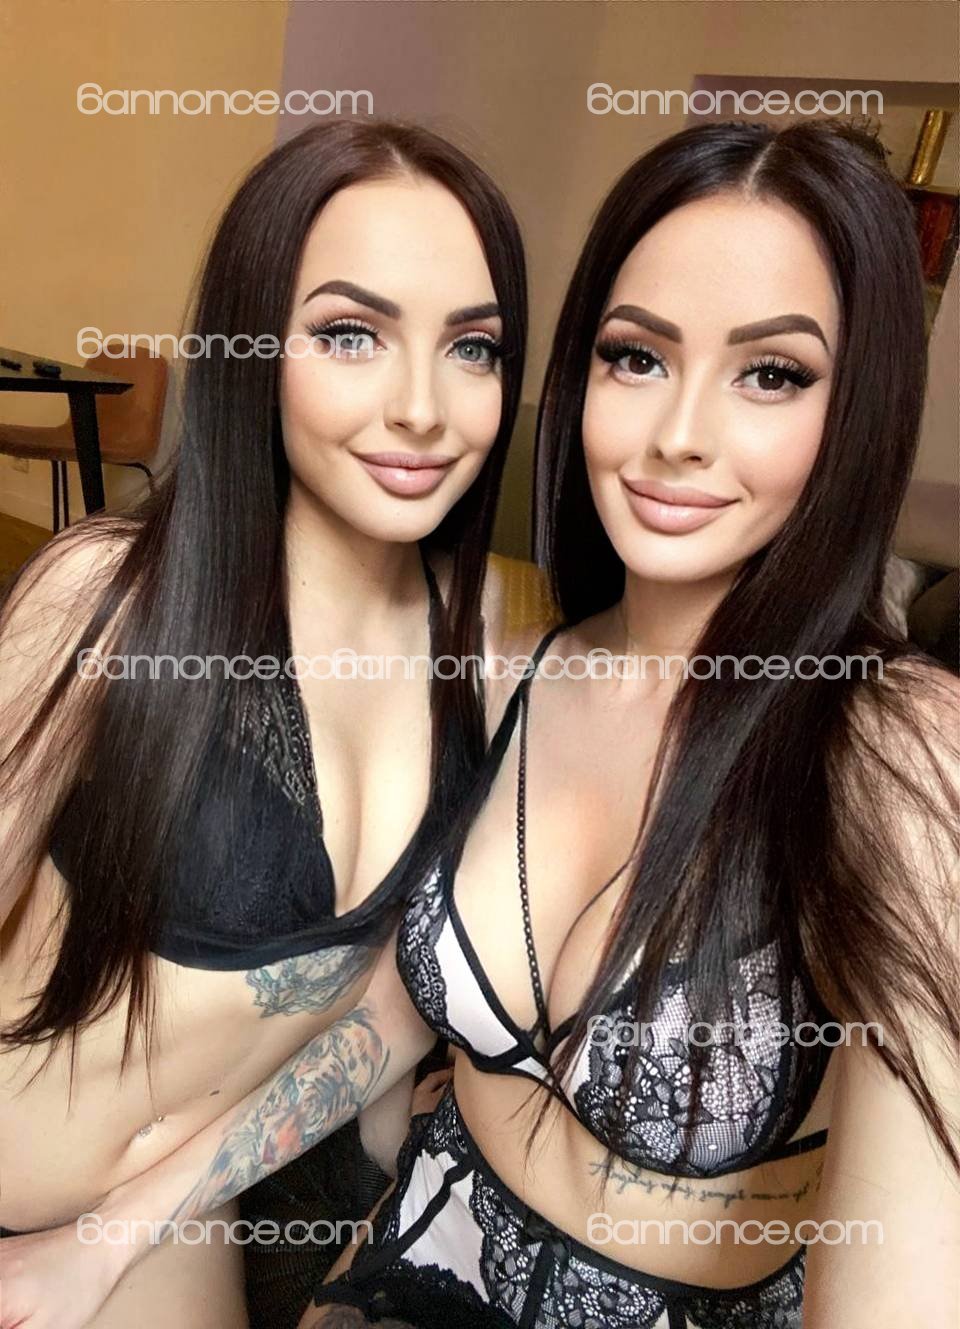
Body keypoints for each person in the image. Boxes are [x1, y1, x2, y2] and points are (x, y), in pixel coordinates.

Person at [10, 118, 956, 1329]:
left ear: (863, 408)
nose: (680, 435)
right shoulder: (512, 672)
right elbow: (392, 1017)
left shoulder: (891, 748)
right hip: (354, 1248)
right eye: (636, 356)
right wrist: (109, 1237)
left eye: (772, 374)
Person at [0, 117, 541, 1329]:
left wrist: (108, 1241)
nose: (423, 408)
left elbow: (388, 1011)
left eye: (472, 347)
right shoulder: (110, 598)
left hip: (152, 1217)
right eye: (352, 334)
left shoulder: (486, 653)